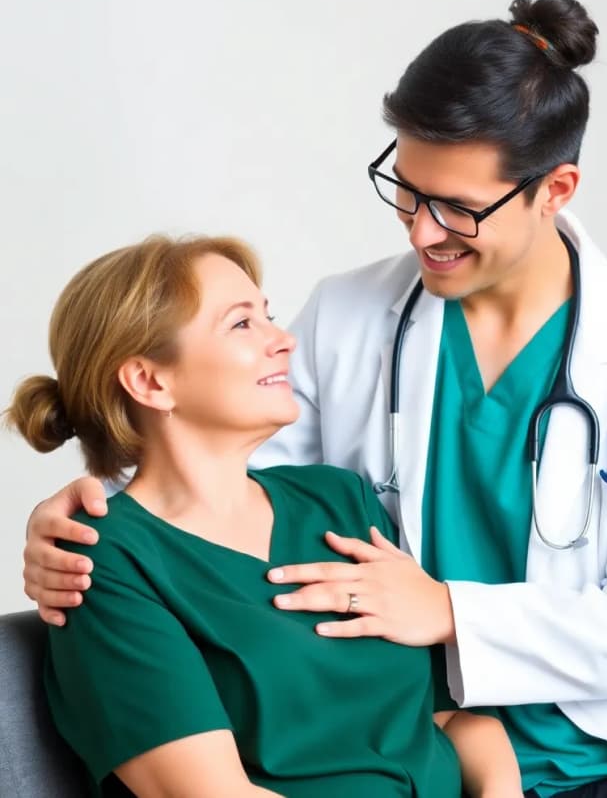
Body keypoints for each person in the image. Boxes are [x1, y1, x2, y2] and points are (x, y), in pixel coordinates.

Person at [21, 0, 607, 798]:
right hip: (416, 731)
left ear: (555, 190)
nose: (420, 232)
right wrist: (90, 513)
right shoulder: (350, 317)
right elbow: (213, 479)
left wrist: (448, 610)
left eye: (457, 208)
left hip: (601, 755)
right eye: (406, 189)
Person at [6, 235, 523, 797]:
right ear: (150, 381)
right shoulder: (105, 563)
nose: (284, 341)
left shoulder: (338, 501)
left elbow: (454, 719)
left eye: (269, 316)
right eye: (241, 324)